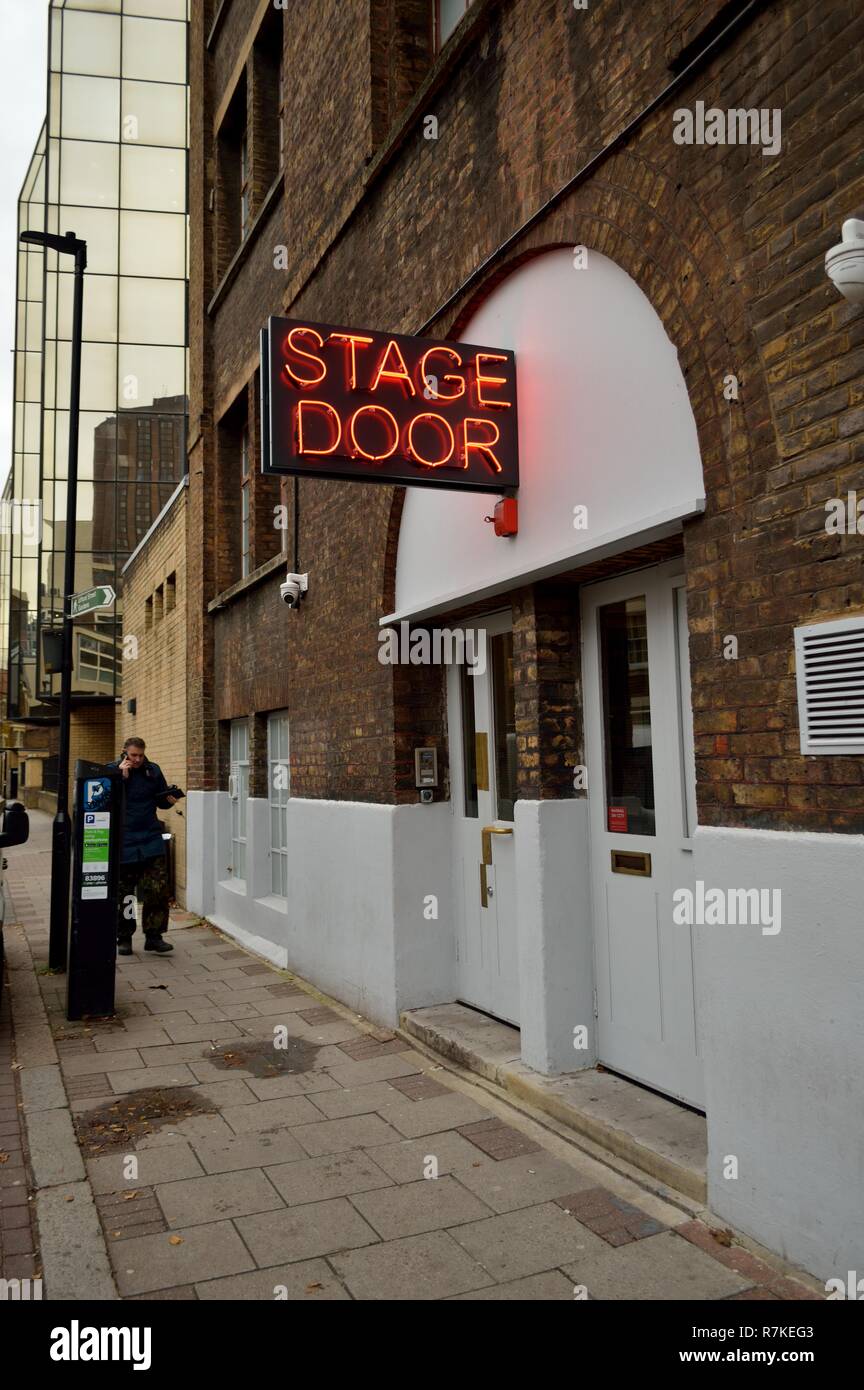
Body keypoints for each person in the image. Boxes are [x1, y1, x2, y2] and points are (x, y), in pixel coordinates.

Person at [107, 737, 183, 956]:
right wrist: (121, 778)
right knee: (126, 894)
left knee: (157, 889)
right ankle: (124, 937)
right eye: (133, 755)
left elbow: (160, 801)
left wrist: (169, 800)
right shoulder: (112, 770)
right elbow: (105, 800)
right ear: (125, 753)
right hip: (125, 840)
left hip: (150, 837)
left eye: (140, 755)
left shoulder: (153, 770)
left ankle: (154, 936)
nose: (138, 759)